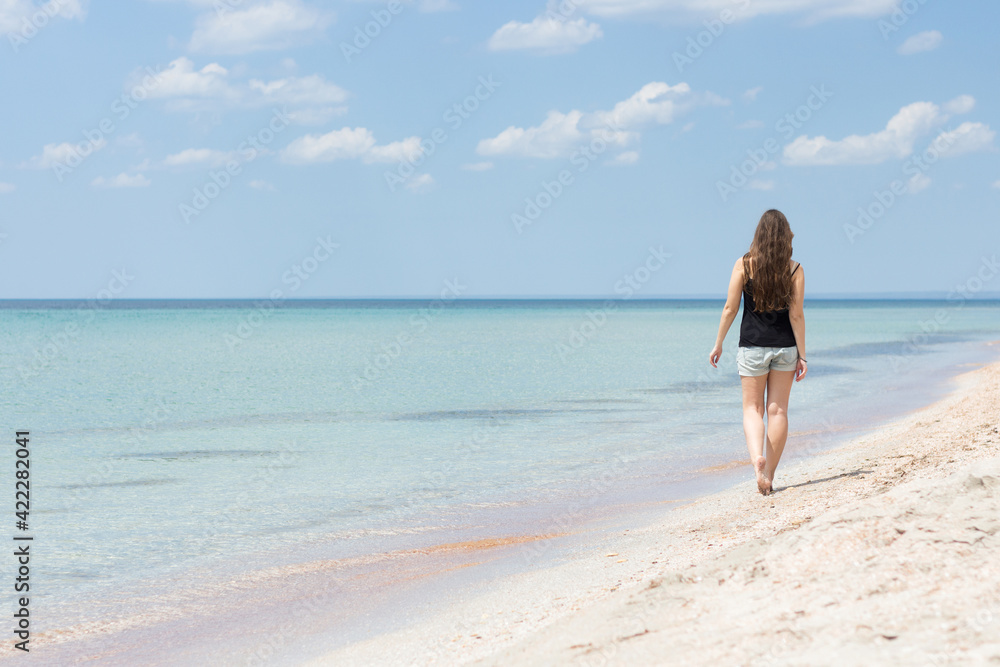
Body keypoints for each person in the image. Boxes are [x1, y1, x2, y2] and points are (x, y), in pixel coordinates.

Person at [708, 209, 806, 496]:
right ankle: (771, 476)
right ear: (786, 236)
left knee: (753, 410)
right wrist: (802, 355)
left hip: (751, 347)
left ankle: (757, 464)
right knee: (778, 411)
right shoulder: (795, 269)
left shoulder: (743, 264)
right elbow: (797, 316)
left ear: (759, 235)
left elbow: (730, 308)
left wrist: (718, 343)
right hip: (785, 348)